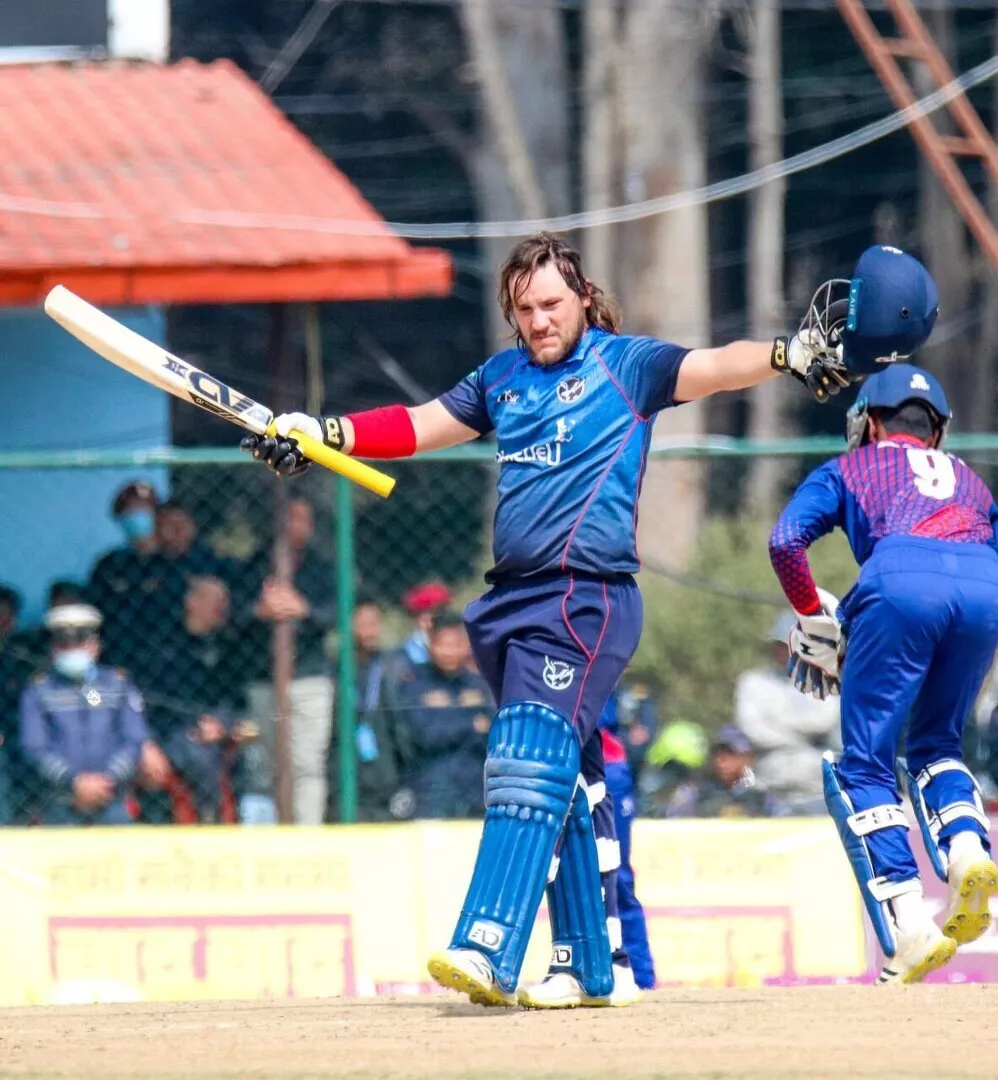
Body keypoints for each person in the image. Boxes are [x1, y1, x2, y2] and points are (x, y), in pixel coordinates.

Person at [240, 232, 916, 1009]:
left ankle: (487, 944)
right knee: (567, 779)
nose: (539, 320)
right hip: (510, 603)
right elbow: (422, 424)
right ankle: (590, 967)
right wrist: (324, 434)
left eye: (552, 304)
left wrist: (785, 353)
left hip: (584, 597)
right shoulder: (503, 379)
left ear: (584, 298)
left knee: (525, 758)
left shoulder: (624, 366)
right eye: (525, 309)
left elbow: (710, 364)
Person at [769, 363, 998, 985]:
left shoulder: (848, 466)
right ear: (937, 429)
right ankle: (966, 847)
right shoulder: (971, 480)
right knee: (938, 745)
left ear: (869, 422)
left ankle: (907, 925)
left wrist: (815, 613)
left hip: (897, 580)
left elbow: (786, 541)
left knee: (864, 763)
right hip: (985, 586)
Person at [246, 496, 336, 825]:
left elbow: (336, 613)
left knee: (308, 763)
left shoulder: (323, 568)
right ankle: (276, 829)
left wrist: (303, 610)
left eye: (301, 519)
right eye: (287, 517)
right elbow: (234, 617)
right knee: (270, 763)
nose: (293, 525)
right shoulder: (253, 565)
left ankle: (307, 833)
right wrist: (261, 610)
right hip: (263, 678)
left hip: (309, 677)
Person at [18, 604, 148, 825]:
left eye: (80, 643)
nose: (73, 651)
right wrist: (75, 782)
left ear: (96, 645)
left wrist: (107, 780)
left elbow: (134, 740)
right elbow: (34, 746)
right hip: (60, 801)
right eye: (65, 645)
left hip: (112, 798)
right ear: (53, 648)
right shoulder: (39, 689)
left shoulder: (118, 684)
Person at [734, 612, 840, 815]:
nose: (782, 651)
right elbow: (753, 728)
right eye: (779, 646)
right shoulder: (753, 682)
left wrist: (776, 722)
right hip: (771, 787)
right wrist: (802, 737)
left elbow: (824, 721)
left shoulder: (825, 680)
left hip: (818, 788)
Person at [392, 611, 493, 820]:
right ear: (430, 644)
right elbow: (425, 735)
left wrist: (448, 713)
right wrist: (470, 723)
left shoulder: (480, 684)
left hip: (476, 790)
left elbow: (493, 730)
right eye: (443, 644)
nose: (450, 651)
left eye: (457, 644)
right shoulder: (414, 683)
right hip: (431, 790)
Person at [327, 597, 405, 823]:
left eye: (375, 623)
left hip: (383, 766)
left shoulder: (389, 667)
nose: (371, 631)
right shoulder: (335, 668)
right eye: (363, 623)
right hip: (345, 768)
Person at [598, 687, 656, 990]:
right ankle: (578, 969)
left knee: (615, 875)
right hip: (552, 762)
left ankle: (637, 976)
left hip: (605, 766)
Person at [665, 725, 777, 818]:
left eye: (731, 753)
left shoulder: (762, 790)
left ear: (748, 757)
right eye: (717, 753)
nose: (722, 760)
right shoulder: (695, 789)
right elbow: (676, 821)